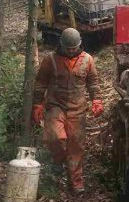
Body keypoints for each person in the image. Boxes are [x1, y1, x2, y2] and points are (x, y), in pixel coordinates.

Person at [32, 28, 103, 193]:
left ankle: (76, 182)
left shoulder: (88, 60)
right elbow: (41, 82)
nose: (71, 51)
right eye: (68, 48)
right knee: (55, 137)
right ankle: (58, 161)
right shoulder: (50, 60)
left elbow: (93, 82)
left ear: (79, 45)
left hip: (77, 109)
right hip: (55, 106)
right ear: (61, 45)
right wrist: (37, 104)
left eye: (74, 48)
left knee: (76, 146)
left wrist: (97, 101)